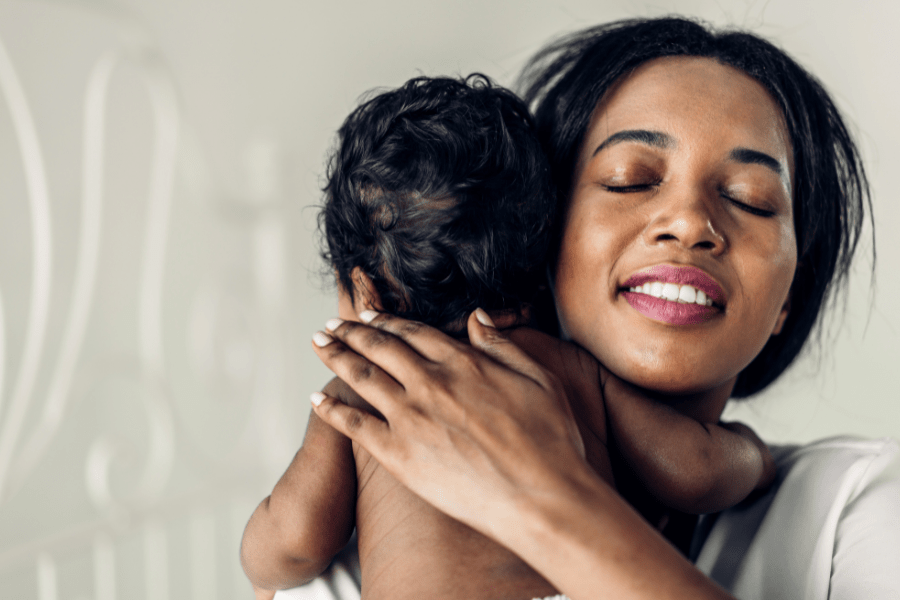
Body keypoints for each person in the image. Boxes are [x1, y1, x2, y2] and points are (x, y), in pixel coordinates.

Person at [306, 17, 900, 600]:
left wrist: (541, 496)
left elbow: (276, 543)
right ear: (541, 240)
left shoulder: (857, 502)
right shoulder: (359, 536)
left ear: (790, 297)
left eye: (749, 199)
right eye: (628, 180)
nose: (691, 223)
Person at [240, 72, 777, 600]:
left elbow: (297, 539)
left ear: (361, 290)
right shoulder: (564, 370)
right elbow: (693, 471)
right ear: (541, 267)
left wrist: (259, 559)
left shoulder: (362, 393)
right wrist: (755, 458)